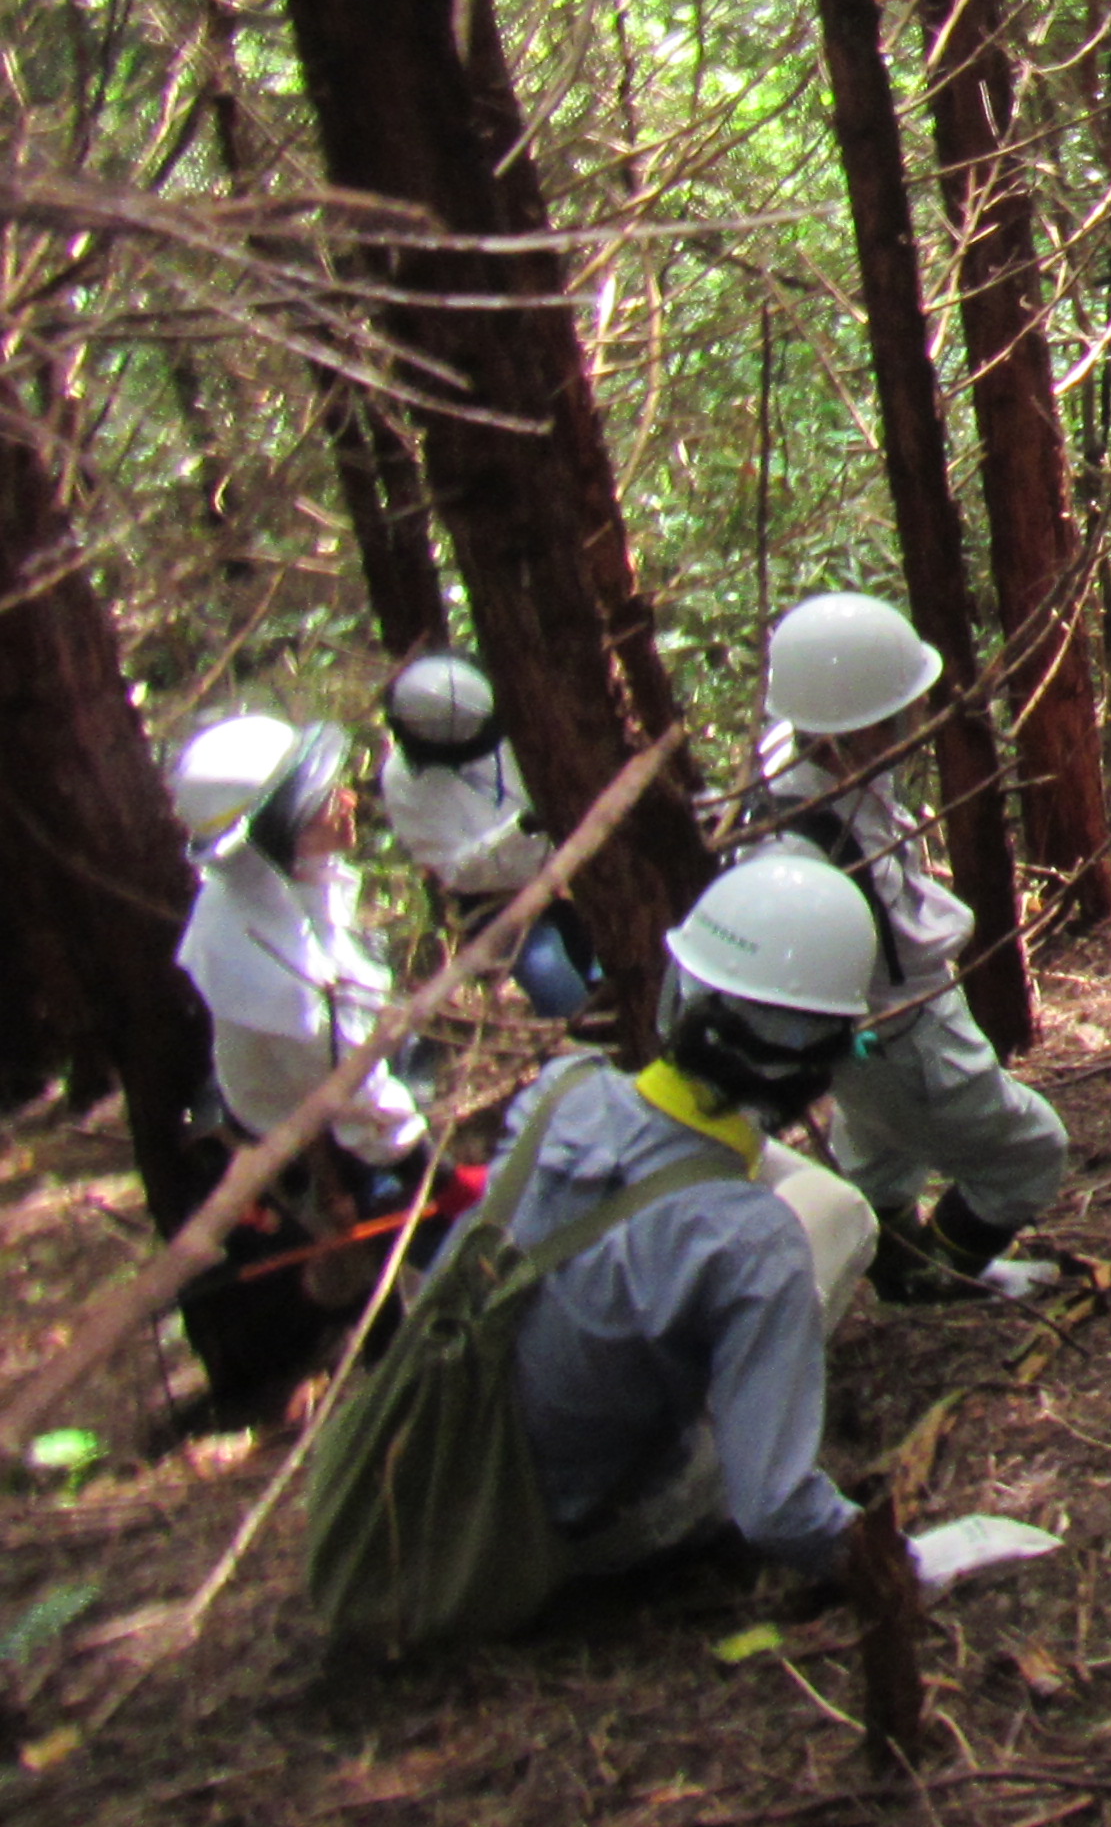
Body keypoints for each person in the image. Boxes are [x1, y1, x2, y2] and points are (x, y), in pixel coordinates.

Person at [464, 853, 885, 1584]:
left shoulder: (563, 1093)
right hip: (559, 1532)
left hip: (466, 1460)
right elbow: (776, 1512)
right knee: (842, 1216)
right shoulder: (754, 1244)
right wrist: (891, 1559)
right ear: (821, 1065)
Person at [740, 592, 1069, 1302]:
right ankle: (939, 1277)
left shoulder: (809, 756)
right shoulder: (800, 847)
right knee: (1030, 1152)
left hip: (872, 1039)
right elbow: (906, 945)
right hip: (901, 1032)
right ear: (850, 732)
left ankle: (900, 1268)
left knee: (879, 1157)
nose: (916, 724)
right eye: (898, 714)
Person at [164, 713, 471, 1415]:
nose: (350, 801)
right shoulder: (275, 968)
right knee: (443, 1276)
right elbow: (356, 1097)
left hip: (326, 1119)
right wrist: (434, 1175)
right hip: (327, 1144)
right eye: (327, 796)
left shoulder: (283, 890)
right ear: (282, 825)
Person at [375, 646, 600, 1016]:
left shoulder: (522, 724)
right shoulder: (404, 782)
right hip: (498, 903)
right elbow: (457, 872)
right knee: (556, 986)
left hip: (581, 874)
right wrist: (521, 829)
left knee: (616, 969)